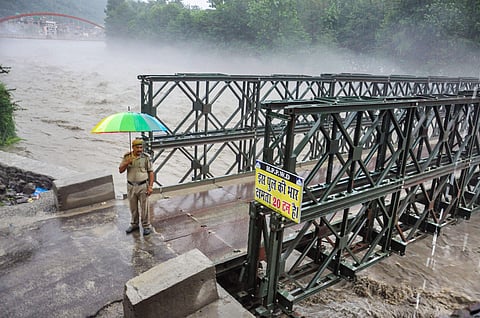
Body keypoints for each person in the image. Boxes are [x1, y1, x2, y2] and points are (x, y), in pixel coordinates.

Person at [119, 138, 154, 236]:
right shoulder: (127, 157)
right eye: (137, 147)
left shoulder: (146, 157)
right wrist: (127, 162)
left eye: (141, 147)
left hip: (143, 185)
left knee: (145, 207)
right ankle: (134, 224)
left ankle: (146, 226)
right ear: (133, 147)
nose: (139, 150)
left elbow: (151, 172)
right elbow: (120, 170)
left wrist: (150, 186)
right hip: (131, 186)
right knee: (133, 207)